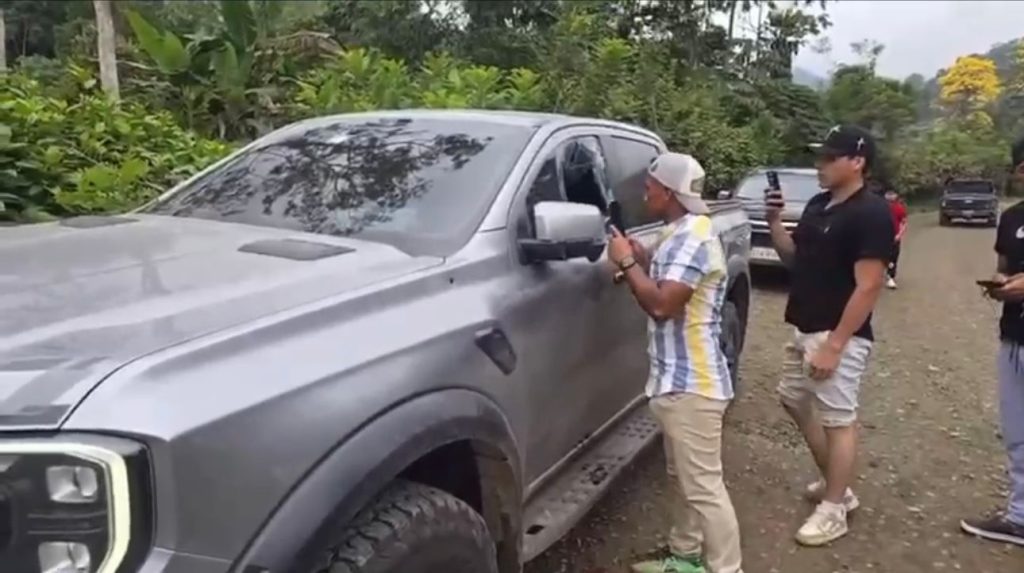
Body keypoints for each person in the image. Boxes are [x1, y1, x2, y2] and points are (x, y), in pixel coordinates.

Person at [607, 153, 743, 573]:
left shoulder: (691, 238)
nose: (644, 190)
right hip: (677, 381)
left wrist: (626, 262)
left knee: (704, 488)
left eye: (650, 184)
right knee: (683, 479)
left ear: (668, 191)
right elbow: (672, 281)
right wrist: (642, 259)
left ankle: (727, 569)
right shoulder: (682, 230)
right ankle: (684, 559)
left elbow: (663, 305)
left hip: (693, 387)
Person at [764, 125, 894, 546]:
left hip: (838, 335)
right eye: (819, 156)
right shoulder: (819, 205)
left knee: (839, 420)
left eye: (828, 158)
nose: (819, 165)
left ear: (857, 162)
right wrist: (773, 222)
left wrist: (835, 344)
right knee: (792, 398)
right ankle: (836, 484)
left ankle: (835, 507)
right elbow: (794, 259)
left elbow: (870, 284)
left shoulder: (871, 213)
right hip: (803, 326)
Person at [961, 135, 1024, 546]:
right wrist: (1000, 284)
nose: (1019, 173)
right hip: (1014, 339)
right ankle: (1020, 517)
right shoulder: (1011, 218)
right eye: (1018, 166)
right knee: (1018, 431)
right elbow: (1003, 267)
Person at [884, 188, 908, 289]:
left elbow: (904, 222)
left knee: (893, 258)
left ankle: (890, 277)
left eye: (892, 195)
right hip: (881, 237)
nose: (890, 197)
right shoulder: (881, 208)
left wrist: (899, 234)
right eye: (888, 195)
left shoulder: (899, 208)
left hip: (894, 237)